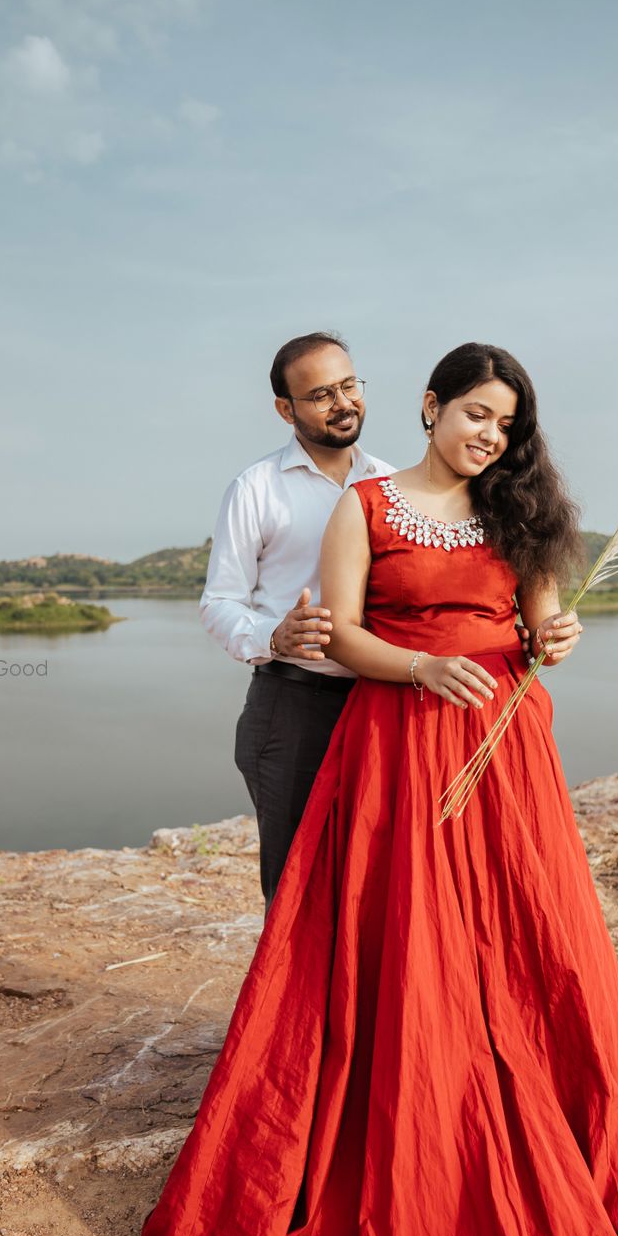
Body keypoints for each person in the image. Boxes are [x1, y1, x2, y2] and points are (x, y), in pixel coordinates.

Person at [139, 342, 618, 1236]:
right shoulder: (361, 506)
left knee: (515, 932)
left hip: (504, 744)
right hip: (396, 741)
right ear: (430, 405)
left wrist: (559, 634)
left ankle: (518, 1106)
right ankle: (371, 1121)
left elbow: (537, 625)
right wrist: (419, 666)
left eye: (506, 422)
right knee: (390, 936)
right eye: (475, 413)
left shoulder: (526, 515)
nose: (489, 434)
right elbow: (345, 635)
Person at [199, 330, 395, 912]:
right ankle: (292, 1008)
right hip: (292, 709)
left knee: (373, 888)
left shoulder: (390, 484)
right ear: (286, 409)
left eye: (349, 385)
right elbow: (219, 601)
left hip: (380, 708)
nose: (343, 403)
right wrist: (272, 635)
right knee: (296, 897)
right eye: (321, 395)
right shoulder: (255, 488)